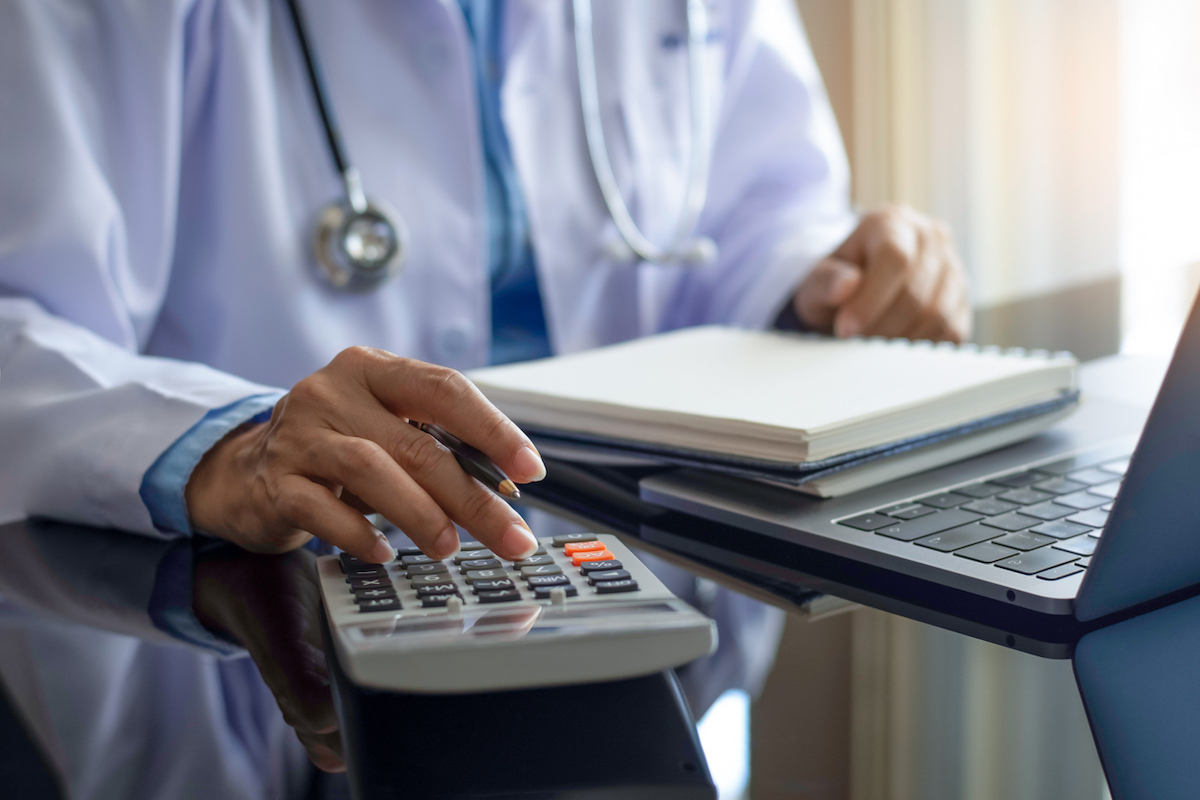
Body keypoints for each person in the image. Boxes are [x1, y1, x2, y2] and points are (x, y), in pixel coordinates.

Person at [0, 0, 969, 796]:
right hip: (259, 645)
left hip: (647, 623)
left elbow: (758, 209)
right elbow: (16, 320)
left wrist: (825, 275)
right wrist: (230, 441)